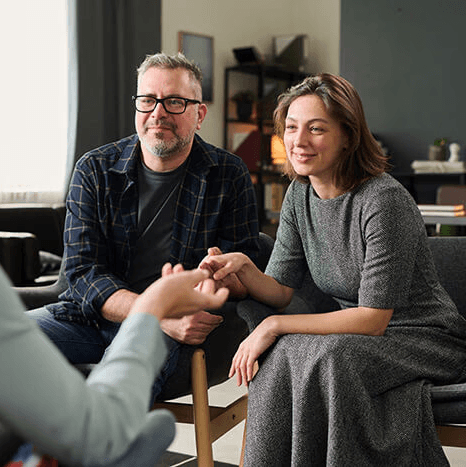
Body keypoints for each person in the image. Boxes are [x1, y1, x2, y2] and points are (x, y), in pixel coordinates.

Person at [200, 73, 466, 466]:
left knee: (324, 356)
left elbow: (374, 320)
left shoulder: (384, 201)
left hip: (425, 339)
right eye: (291, 127)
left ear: (347, 135)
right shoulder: (299, 194)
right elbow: (280, 289)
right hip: (359, 336)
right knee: (283, 354)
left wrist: (273, 325)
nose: (299, 141)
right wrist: (244, 269)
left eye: (316, 128)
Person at [28, 52, 259, 402]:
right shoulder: (94, 170)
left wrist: (221, 278)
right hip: (89, 319)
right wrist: (154, 313)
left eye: (175, 102)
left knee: (113, 395)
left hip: (176, 329)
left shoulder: (229, 175)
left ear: (199, 114)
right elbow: (81, 273)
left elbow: (242, 272)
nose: (158, 113)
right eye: (148, 100)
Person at [0, 265, 229, 466]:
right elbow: (103, 437)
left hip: (184, 317)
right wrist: (151, 309)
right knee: (154, 430)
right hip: (84, 312)